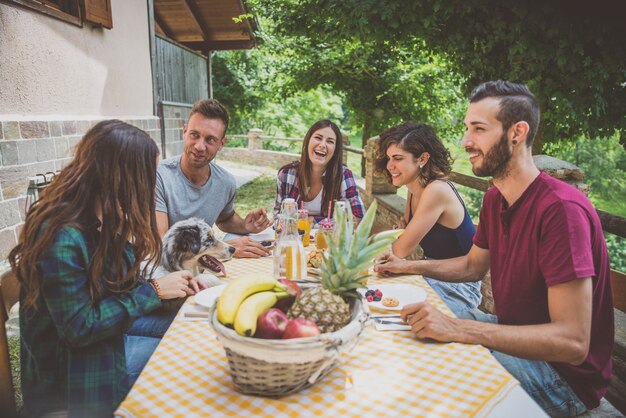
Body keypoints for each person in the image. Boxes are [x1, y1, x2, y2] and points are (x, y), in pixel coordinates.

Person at [374, 81, 613, 416]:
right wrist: (408, 267)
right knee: (399, 328)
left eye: (479, 129)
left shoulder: (560, 209)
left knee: (428, 377)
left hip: (561, 378)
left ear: (517, 133)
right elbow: (473, 266)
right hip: (511, 333)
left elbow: (573, 343)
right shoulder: (495, 197)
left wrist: (458, 328)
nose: (466, 141)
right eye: (466, 129)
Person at [9, 120, 206, 417]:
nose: (152, 185)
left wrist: (172, 294)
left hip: (105, 347)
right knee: (185, 362)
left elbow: (115, 292)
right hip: (74, 383)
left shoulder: (103, 215)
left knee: (192, 324)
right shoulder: (62, 235)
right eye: (147, 175)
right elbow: (79, 327)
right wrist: (153, 292)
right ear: (122, 176)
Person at [373, 122, 481, 315]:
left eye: (398, 158)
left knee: (398, 313)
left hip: (459, 288)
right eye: (389, 158)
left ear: (422, 158)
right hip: (430, 275)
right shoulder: (414, 189)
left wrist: (400, 241)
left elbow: (400, 248)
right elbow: (403, 234)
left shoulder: (437, 190)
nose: (390, 166)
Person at [156, 99, 271, 258]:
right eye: (194, 135)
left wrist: (245, 225)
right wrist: (221, 248)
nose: (199, 146)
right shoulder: (158, 177)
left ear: (221, 143)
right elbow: (159, 244)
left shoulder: (225, 182)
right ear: (184, 131)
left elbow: (225, 219)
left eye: (210, 139)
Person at [274, 119, 365, 224]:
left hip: (327, 239)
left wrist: (311, 221)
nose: (322, 145)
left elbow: (358, 218)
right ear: (308, 141)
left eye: (330, 141)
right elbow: (278, 217)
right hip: (293, 239)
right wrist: (329, 222)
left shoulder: (343, 175)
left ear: (335, 150)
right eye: (318, 138)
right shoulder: (286, 174)